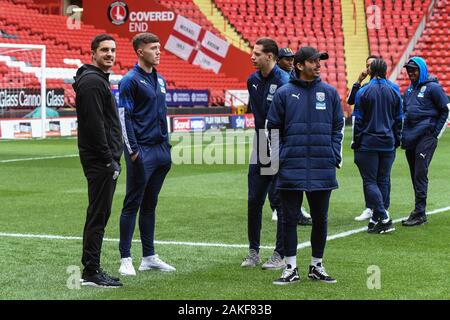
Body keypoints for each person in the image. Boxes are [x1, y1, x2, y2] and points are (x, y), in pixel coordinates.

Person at [267, 46, 344, 285]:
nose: (318, 64)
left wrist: (334, 155)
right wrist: (279, 158)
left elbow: (337, 127)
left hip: (322, 165)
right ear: (300, 66)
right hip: (291, 166)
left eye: (319, 60)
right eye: (313, 61)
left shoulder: (330, 93)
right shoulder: (284, 93)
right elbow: (272, 129)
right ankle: (290, 268)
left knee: (321, 219)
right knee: (289, 219)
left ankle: (316, 266)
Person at [117, 33, 174, 276]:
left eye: (159, 47)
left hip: (161, 150)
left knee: (151, 204)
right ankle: (125, 258)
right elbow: (124, 117)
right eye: (153, 48)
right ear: (140, 52)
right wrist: (133, 152)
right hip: (142, 152)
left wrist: (167, 145)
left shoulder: (160, 79)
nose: (158, 51)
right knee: (133, 203)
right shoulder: (129, 80)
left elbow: (161, 113)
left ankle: (149, 256)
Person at [73, 34, 123, 288]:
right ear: (93, 52)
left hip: (104, 160)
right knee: (98, 215)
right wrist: (109, 160)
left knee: (100, 214)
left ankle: (92, 269)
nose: (110, 54)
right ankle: (91, 271)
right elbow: (95, 126)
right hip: (101, 162)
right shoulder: (92, 82)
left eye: (113, 50)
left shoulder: (97, 80)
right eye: (104, 50)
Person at [241, 38, 289, 270]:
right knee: (254, 200)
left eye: (257, 53)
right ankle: (253, 251)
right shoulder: (251, 80)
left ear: (269, 56)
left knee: (279, 202)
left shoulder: (284, 81)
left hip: (278, 144)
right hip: (261, 144)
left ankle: (280, 254)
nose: (252, 57)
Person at [351, 58, 402, 234]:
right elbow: (399, 120)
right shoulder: (394, 90)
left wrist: (356, 141)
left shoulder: (364, 91)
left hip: (368, 143)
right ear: (386, 70)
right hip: (388, 143)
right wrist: (397, 139)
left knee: (370, 181)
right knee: (383, 179)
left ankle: (384, 217)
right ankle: (375, 220)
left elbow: (358, 120)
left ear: (371, 71)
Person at [401, 57, 449, 226]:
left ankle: (420, 213)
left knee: (420, 173)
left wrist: (435, 134)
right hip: (411, 138)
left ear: (422, 70)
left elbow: (446, 110)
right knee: (415, 174)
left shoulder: (433, 88)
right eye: (408, 71)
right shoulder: (409, 90)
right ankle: (418, 210)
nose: (411, 73)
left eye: (414, 70)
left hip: (426, 137)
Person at [271, 48, 312, 226]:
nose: (289, 62)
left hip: (284, 133)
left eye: (291, 59)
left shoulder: (290, 77)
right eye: (286, 59)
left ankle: (288, 207)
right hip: (273, 132)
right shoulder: (280, 79)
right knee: (273, 172)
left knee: (280, 172)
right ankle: (277, 207)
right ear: (278, 60)